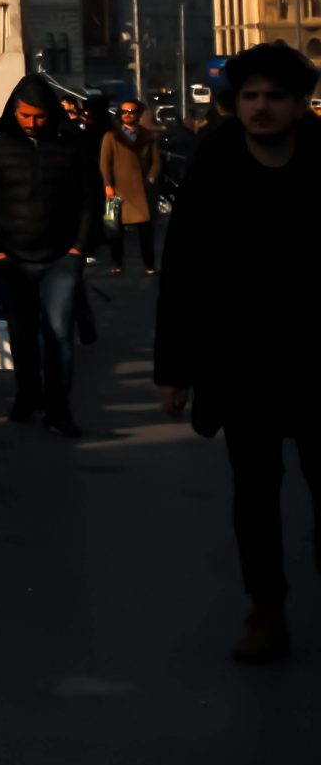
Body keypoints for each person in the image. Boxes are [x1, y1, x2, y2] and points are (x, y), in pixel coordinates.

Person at [154, 42, 321, 665]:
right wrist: (174, 370)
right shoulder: (215, 162)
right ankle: (266, 608)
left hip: (313, 359)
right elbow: (185, 271)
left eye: (274, 96)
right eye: (249, 96)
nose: (260, 107)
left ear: (299, 105)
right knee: (254, 492)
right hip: (241, 364)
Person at [0, 76, 100, 435]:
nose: (31, 123)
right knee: (21, 335)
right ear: (14, 112)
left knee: (59, 335)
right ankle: (27, 397)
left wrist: (78, 249)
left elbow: (89, 200)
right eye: (25, 115)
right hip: (11, 259)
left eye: (38, 116)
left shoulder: (72, 147)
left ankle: (58, 409)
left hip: (60, 259)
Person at [100, 99, 166, 275]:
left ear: (138, 114)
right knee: (113, 229)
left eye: (132, 111)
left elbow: (156, 162)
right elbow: (105, 163)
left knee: (146, 232)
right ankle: (117, 263)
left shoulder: (148, 136)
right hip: (115, 190)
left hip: (141, 192)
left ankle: (150, 265)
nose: (128, 114)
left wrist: (150, 180)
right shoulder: (111, 136)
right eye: (124, 112)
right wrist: (107, 184)